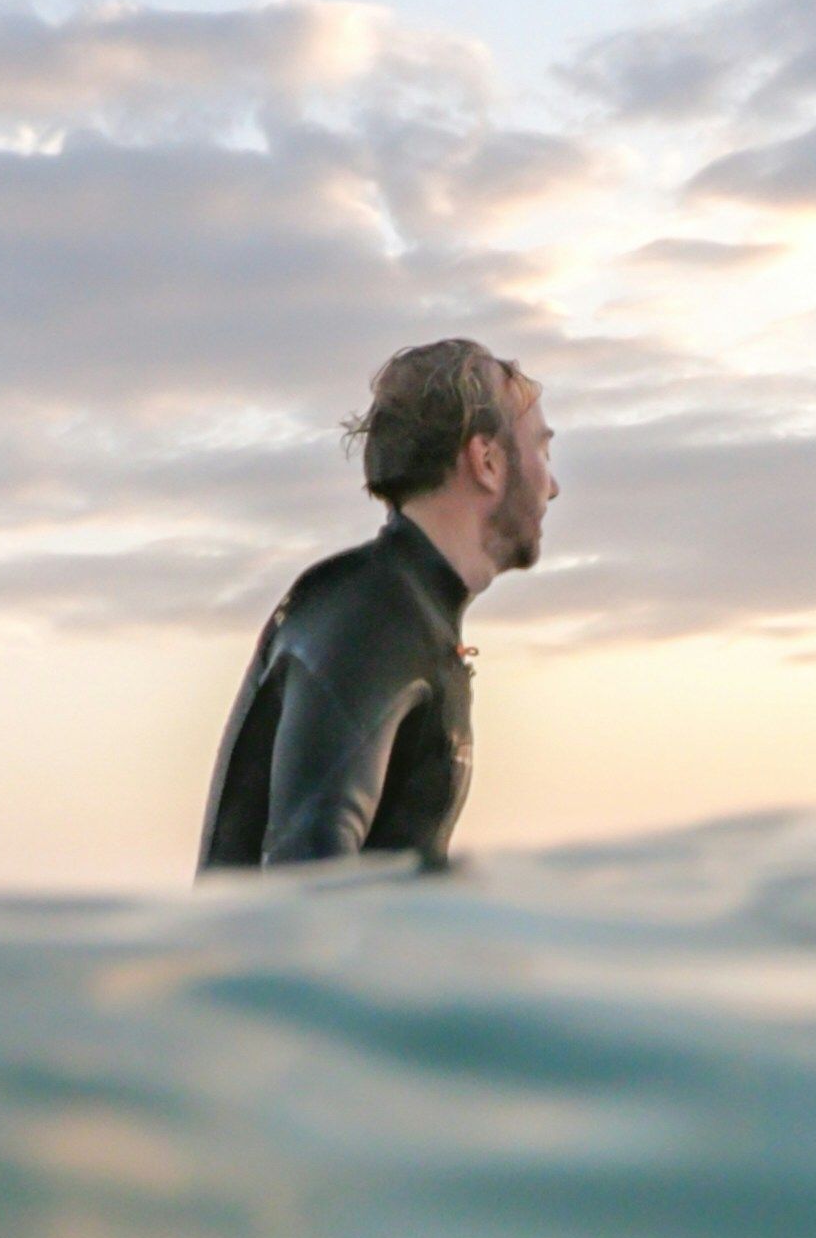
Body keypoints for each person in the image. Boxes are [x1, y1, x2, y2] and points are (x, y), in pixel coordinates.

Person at [198, 338, 558, 870]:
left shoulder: (402, 614)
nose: (552, 487)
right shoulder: (368, 618)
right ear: (487, 461)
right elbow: (306, 879)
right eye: (543, 451)